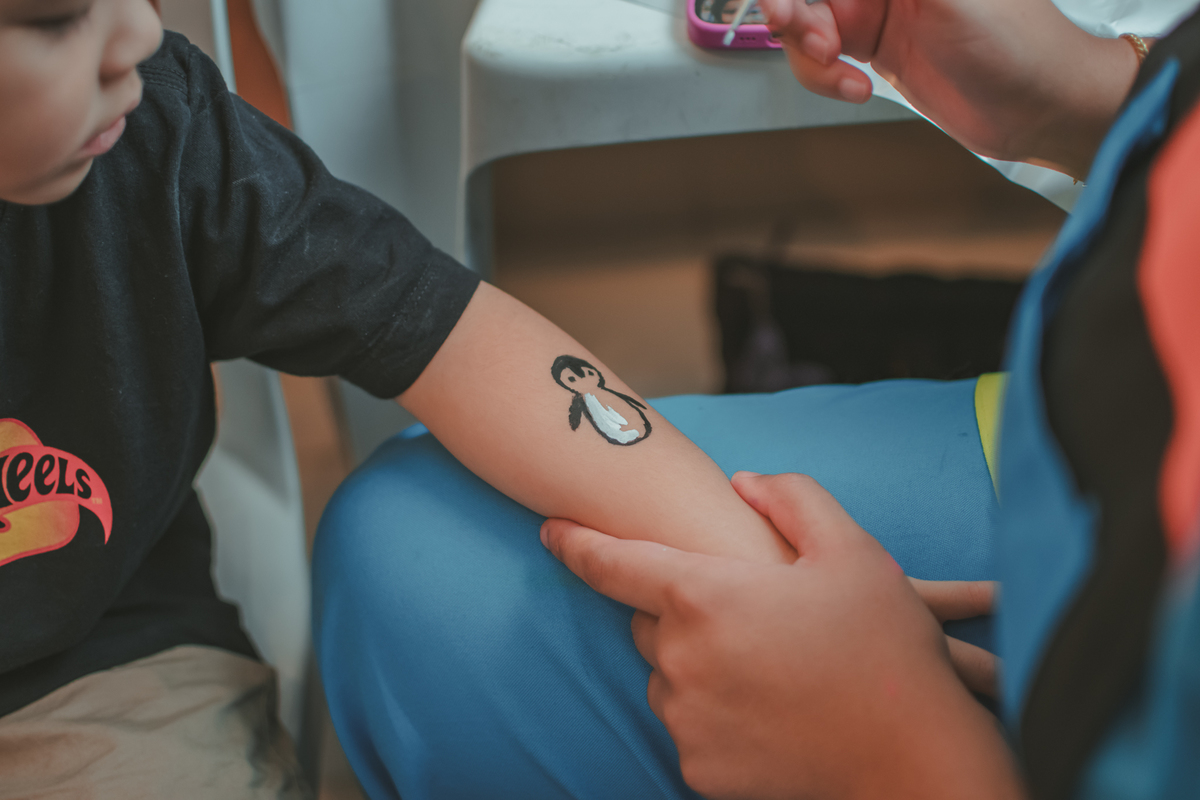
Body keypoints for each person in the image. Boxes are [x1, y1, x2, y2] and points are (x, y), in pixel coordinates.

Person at [0, 0, 886, 796]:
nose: (141, 32)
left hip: (96, 674)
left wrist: (782, 595)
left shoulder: (158, 131)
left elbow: (450, 335)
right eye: (52, 17)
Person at [542, 0, 1200, 798]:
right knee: (408, 533)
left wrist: (897, 752)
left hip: (1106, 625)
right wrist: (1097, 100)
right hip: (1076, 433)